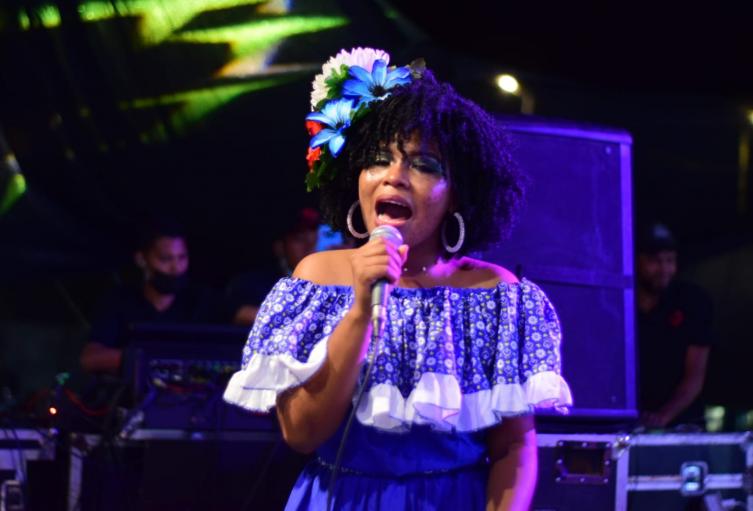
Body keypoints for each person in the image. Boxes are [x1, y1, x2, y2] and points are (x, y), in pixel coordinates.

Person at [224, 47, 572, 510]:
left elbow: (513, 447)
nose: (395, 177)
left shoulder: (497, 295)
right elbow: (301, 434)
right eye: (378, 159)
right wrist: (360, 311)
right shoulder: (315, 280)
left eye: (424, 164)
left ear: (458, 194)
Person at [80, 220, 224, 374]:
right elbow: (90, 359)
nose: (176, 268)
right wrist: (145, 358)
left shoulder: (202, 300)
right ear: (141, 259)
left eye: (182, 257)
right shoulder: (119, 300)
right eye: (165, 259)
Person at [636, 222, 714, 429]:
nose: (664, 269)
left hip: (684, 425)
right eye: (654, 260)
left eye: (669, 260)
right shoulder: (617, 305)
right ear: (636, 261)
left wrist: (662, 417)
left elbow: (695, 376)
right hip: (629, 424)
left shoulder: (693, 302)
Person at [227, 208, 321, 326]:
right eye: (300, 239)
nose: (310, 248)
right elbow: (239, 313)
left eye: (316, 240)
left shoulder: (332, 282)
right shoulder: (254, 284)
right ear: (280, 247)